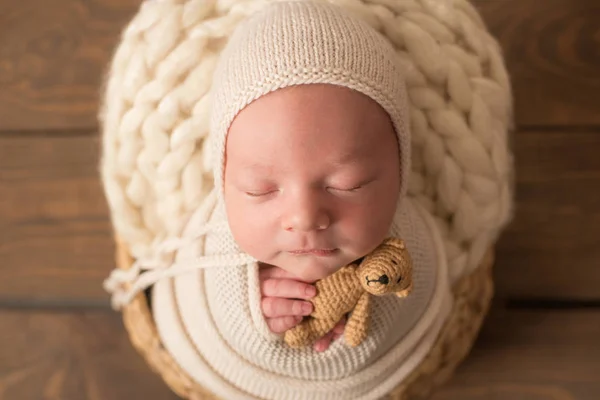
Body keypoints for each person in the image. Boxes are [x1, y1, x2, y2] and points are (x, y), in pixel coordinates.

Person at [106, 2, 449, 398]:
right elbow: (194, 276)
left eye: (348, 184)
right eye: (260, 189)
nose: (304, 217)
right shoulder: (212, 239)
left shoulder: (405, 239)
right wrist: (246, 303)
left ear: (401, 171)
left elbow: (420, 284)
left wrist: (367, 309)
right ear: (223, 180)